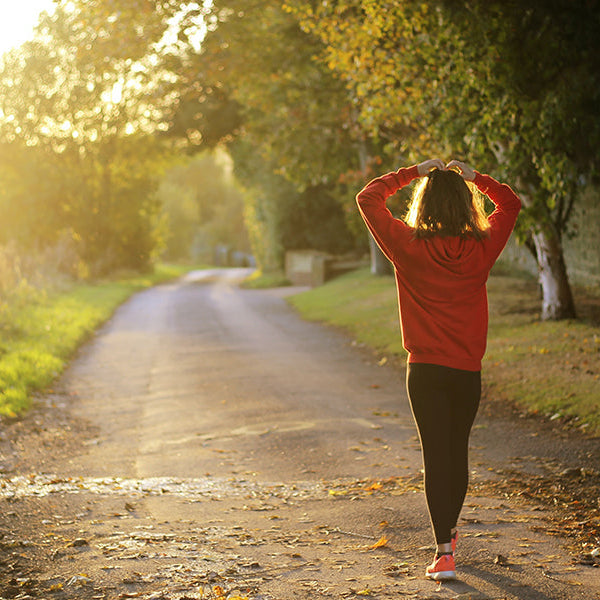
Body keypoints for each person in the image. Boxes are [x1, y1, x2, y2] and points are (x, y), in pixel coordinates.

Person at [356, 158, 521, 581]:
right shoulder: (482, 246)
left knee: (436, 455)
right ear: (466, 206)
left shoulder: (407, 245)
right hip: (466, 371)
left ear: (423, 204)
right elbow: (511, 203)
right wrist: (476, 178)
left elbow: (368, 198)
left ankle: (444, 551)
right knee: (457, 452)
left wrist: (412, 172)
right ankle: (448, 534)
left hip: (425, 370)